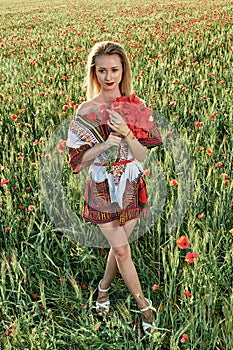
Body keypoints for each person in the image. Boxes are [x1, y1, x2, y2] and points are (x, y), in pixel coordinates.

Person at [66, 41, 162, 335]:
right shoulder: (87, 109)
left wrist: (127, 133)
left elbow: (143, 155)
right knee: (122, 251)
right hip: (101, 185)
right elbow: (77, 160)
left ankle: (103, 290)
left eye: (115, 70)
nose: (109, 77)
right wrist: (106, 143)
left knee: (118, 248)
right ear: (93, 72)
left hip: (131, 180)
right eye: (102, 70)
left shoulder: (136, 106)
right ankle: (145, 308)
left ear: (123, 71)